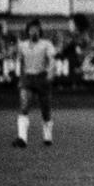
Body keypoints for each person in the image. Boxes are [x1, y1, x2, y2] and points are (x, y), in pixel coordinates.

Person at [14, 19, 56, 147]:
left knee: (45, 110)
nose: (34, 31)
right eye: (31, 29)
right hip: (27, 78)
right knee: (24, 106)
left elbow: (52, 60)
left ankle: (47, 137)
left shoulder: (46, 44)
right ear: (28, 31)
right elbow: (19, 61)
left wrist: (50, 72)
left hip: (42, 78)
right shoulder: (22, 45)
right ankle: (22, 139)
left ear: (40, 31)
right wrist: (19, 76)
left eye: (36, 29)